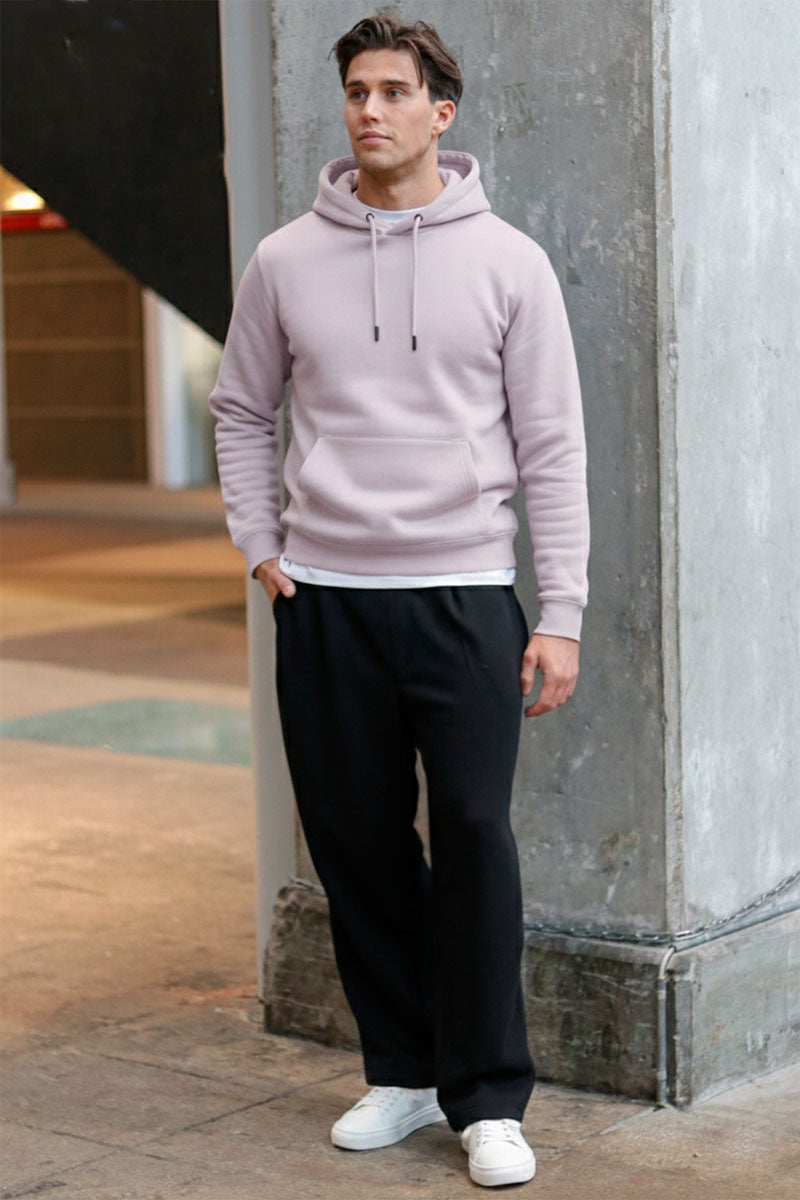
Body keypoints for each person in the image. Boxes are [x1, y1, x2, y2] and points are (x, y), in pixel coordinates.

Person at [210, 14, 588, 1190]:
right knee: (356, 844)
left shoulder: (508, 262)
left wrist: (560, 612)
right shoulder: (284, 261)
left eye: (392, 91)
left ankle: (488, 1097)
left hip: (463, 596)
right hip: (324, 599)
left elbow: (552, 446)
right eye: (356, 92)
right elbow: (241, 410)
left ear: (440, 111)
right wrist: (259, 541)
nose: (369, 111)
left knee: (471, 837)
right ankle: (402, 1069)